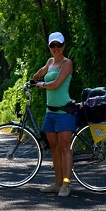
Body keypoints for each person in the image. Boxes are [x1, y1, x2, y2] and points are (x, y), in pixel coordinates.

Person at [32, 32, 76, 197]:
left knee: (65, 148)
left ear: (64, 46)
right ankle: (57, 184)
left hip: (64, 111)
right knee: (54, 148)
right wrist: (34, 78)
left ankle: (66, 184)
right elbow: (40, 72)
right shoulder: (50, 62)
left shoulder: (67, 63)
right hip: (50, 112)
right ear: (49, 47)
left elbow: (56, 84)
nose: (56, 48)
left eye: (59, 45)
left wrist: (41, 84)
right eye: (53, 45)